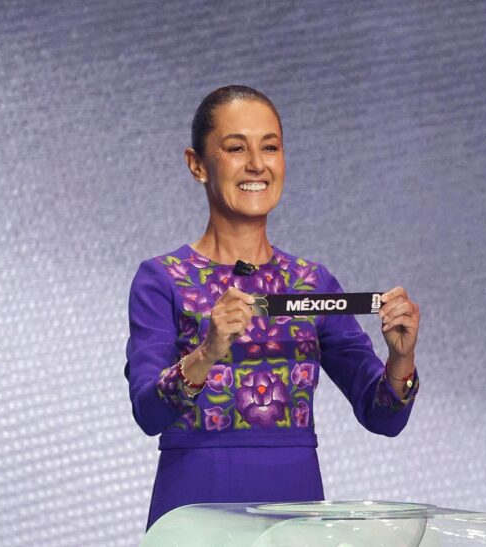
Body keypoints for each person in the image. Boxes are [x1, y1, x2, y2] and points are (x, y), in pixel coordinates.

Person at [124, 85, 421, 530]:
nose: (256, 164)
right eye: (235, 148)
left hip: (293, 515)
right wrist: (207, 352)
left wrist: (401, 358)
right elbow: (148, 412)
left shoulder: (313, 283)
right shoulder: (162, 280)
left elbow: (383, 418)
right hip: (193, 513)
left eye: (270, 147)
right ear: (197, 164)